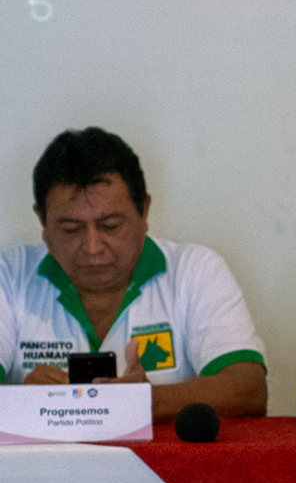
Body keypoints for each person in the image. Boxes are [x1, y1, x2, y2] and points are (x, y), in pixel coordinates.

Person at [1, 127, 268, 421]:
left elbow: (249, 390)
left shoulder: (195, 270)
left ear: (144, 210)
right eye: (71, 230)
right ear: (42, 221)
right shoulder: (9, 277)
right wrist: (23, 401)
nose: (92, 248)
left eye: (111, 226)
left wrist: (146, 402)